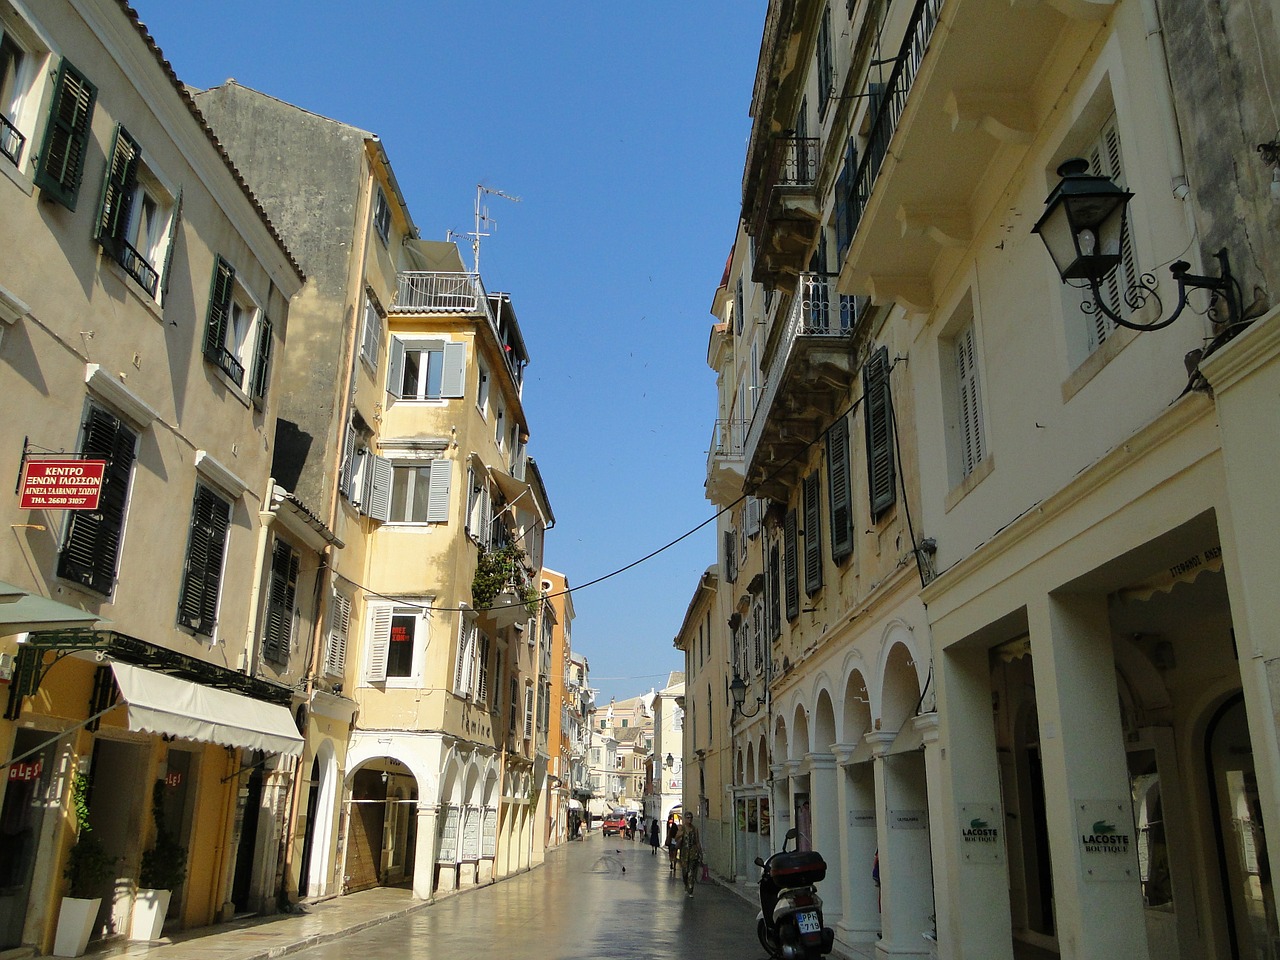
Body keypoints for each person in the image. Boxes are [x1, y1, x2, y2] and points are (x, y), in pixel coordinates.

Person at [678, 820, 703, 897]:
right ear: (685, 818)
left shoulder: (694, 829)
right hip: (684, 853)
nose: (689, 819)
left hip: (693, 853)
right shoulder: (681, 828)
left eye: (691, 818)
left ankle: (690, 889)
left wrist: (700, 852)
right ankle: (686, 884)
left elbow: (697, 841)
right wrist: (680, 835)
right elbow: (676, 838)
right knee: (685, 872)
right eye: (688, 817)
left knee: (691, 871)